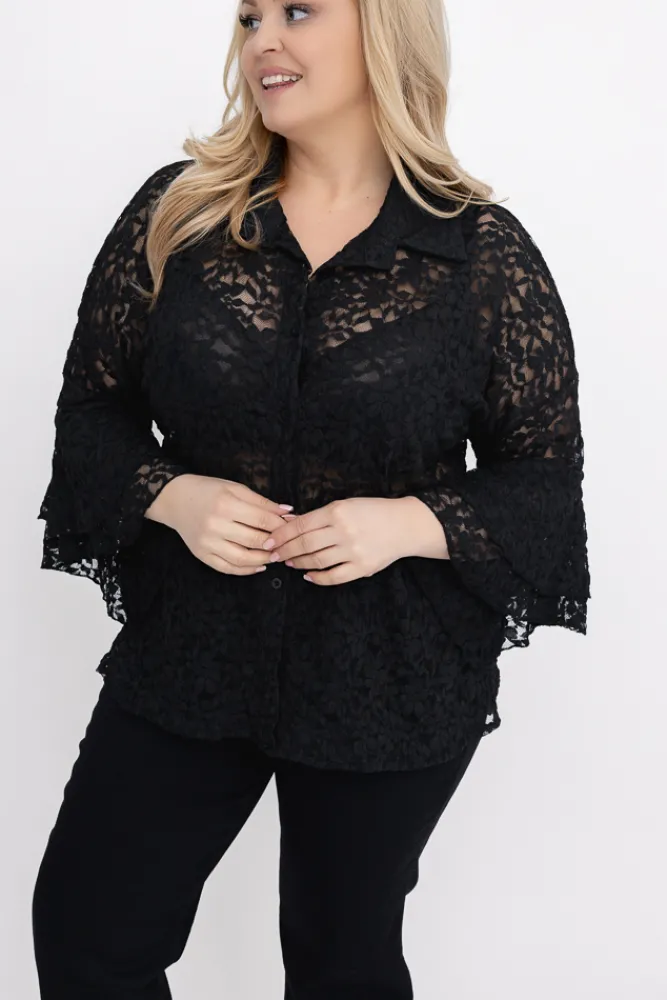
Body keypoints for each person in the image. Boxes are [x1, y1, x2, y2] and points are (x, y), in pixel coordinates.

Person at [31, 0, 591, 996]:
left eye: (298, 10)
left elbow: (544, 483)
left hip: (391, 671)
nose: (263, 42)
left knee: (342, 967)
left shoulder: (479, 254)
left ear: (386, 30)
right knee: (88, 929)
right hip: (191, 651)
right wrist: (170, 494)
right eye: (250, 17)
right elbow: (91, 413)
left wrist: (406, 523)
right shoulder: (180, 214)